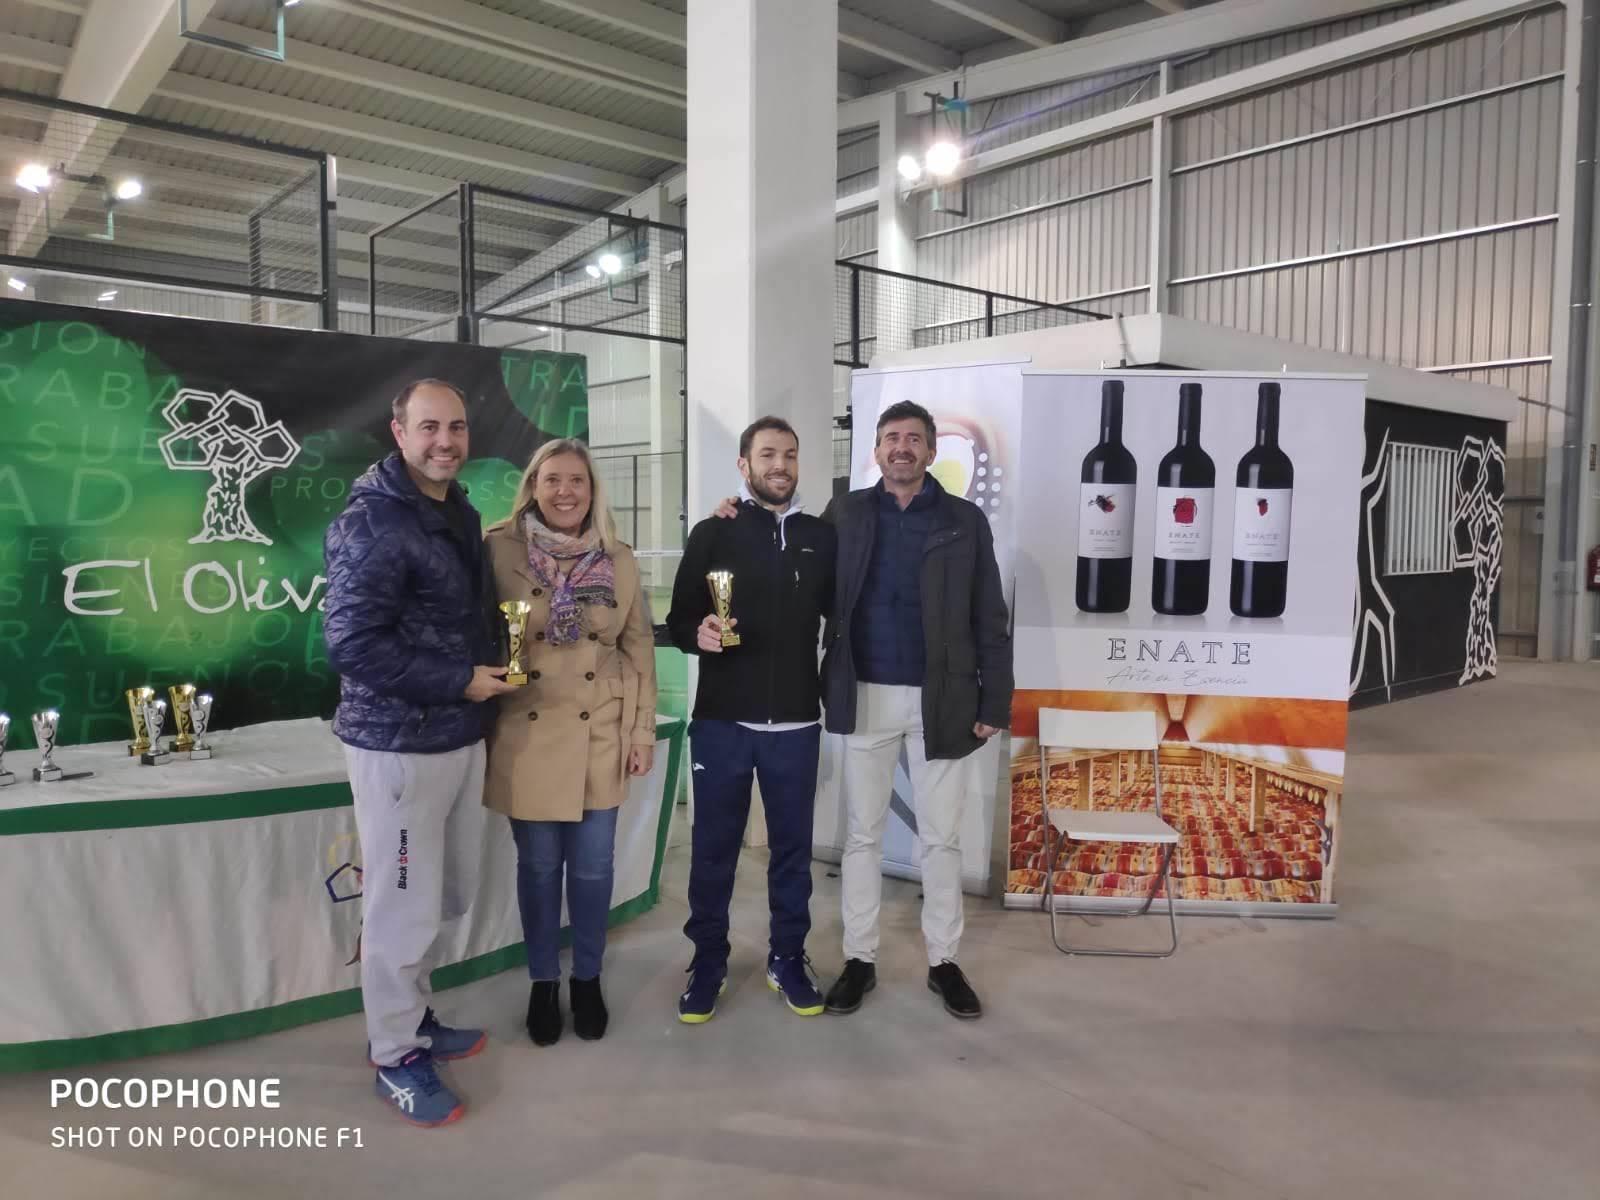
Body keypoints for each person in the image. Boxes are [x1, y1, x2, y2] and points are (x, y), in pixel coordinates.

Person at [323, 378, 520, 1128]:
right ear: (399, 431)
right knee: (402, 905)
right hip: (400, 743)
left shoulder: (454, 508)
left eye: (457, 427)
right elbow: (351, 643)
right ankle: (395, 1055)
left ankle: (413, 1014)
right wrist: (458, 679)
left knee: (439, 895)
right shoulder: (372, 520)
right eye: (430, 427)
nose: (446, 441)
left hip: (457, 733)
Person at [820, 400, 1013, 1020]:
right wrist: (737, 514)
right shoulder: (846, 513)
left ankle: (943, 961)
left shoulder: (964, 520)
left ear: (931, 451)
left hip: (944, 699)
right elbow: (799, 575)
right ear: (875, 450)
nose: (901, 448)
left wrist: (995, 699)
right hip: (864, 693)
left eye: (913, 439)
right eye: (890, 438)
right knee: (861, 836)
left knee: (942, 839)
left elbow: (990, 614)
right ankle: (859, 958)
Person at [482, 438, 657, 1047]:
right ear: (533, 485)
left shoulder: (619, 557)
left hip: (600, 731)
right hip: (525, 728)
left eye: (576, 480)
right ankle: (541, 981)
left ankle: (586, 977)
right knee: (537, 867)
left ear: (591, 489)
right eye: (552, 479)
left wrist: (642, 730)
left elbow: (638, 648)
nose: (565, 491)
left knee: (592, 868)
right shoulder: (498, 548)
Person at [666, 417, 836, 1024]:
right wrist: (700, 634)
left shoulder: (821, 536)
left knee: (792, 855)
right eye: (767, 454)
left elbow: (841, 617)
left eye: (789, 454)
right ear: (744, 465)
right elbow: (679, 620)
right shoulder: (714, 532)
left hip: (796, 724)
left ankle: (787, 958)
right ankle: (709, 960)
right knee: (713, 852)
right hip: (722, 723)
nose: (780, 465)